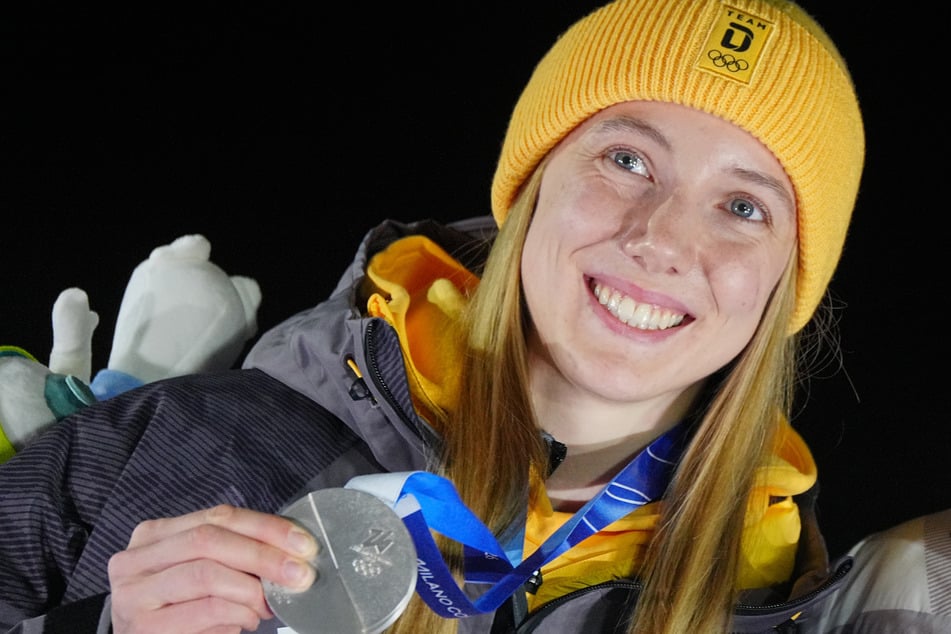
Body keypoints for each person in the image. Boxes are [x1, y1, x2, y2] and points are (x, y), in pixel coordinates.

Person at [0, 0, 871, 632]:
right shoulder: (186, 443)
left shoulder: (778, 606)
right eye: (627, 159)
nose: (662, 241)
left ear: (785, 283)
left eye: (743, 207)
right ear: (531, 184)